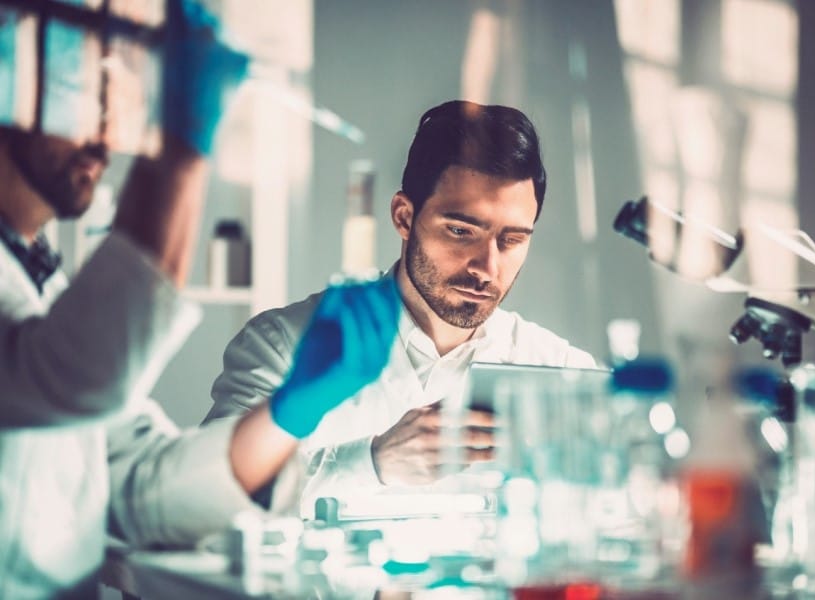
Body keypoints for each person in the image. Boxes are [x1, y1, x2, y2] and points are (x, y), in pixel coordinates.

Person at [0, 1, 399, 597]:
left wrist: (291, 412)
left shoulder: (35, 276)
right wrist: (182, 145)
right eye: (79, 82)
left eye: (119, 88)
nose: (108, 125)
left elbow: (139, 485)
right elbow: (78, 376)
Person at [205, 100, 597, 517]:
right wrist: (370, 464)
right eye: (461, 231)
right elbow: (208, 500)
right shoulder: (281, 346)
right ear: (404, 217)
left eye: (512, 240)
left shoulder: (563, 371)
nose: (488, 267)